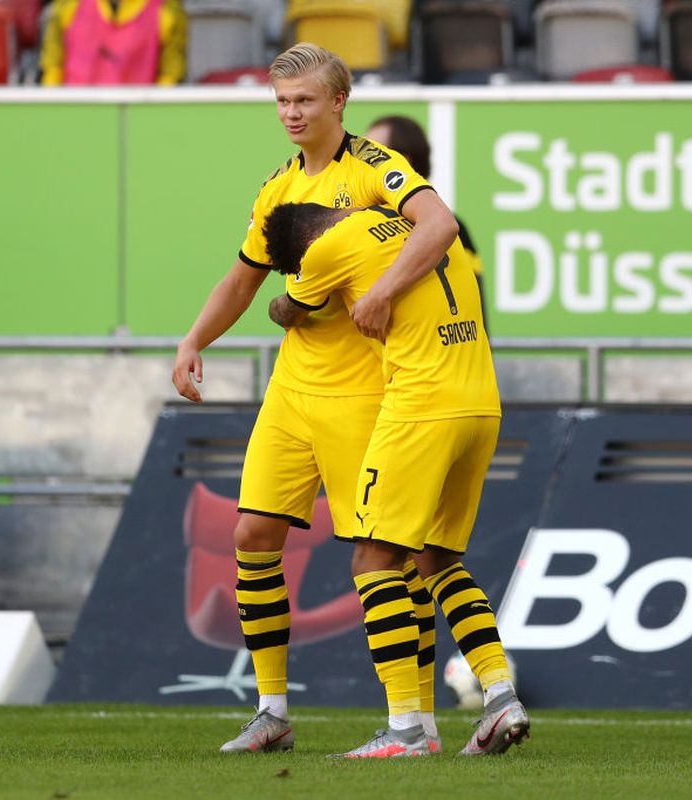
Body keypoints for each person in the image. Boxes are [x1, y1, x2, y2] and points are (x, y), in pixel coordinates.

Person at [170, 43, 460, 754]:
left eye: (304, 100)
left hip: (366, 389)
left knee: (386, 553)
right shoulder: (278, 187)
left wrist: (386, 290)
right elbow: (242, 280)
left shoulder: (374, 169)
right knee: (251, 538)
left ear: (339, 101)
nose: (292, 113)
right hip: (293, 391)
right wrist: (192, 342)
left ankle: (412, 721)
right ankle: (271, 711)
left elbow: (440, 225)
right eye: (282, 102)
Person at [261, 201, 530, 758]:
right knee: (436, 560)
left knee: (373, 560)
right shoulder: (422, 226)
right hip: (481, 402)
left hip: (420, 409)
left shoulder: (326, 251)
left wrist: (287, 292)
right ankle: (500, 694)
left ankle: (406, 729)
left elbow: (289, 311)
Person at [365, 114, 488, 331]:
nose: (358, 161)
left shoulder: (447, 226)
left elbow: (472, 310)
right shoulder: (353, 222)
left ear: (400, 163)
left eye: (372, 153)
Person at [40, 0, 186, 86]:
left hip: (139, 122)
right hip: (74, 117)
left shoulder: (167, 10)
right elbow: (52, 68)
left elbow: (170, 77)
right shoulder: (67, 5)